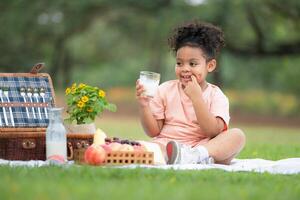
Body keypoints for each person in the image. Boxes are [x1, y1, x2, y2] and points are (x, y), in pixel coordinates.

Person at [136, 21, 245, 165]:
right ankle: (181, 158)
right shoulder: (165, 89)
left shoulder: (216, 95)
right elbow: (153, 132)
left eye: (193, 64)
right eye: (179, 63)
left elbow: (212, 132)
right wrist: (144, 106)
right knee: (143, 147)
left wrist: (196, 98)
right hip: (167, 145)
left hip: (201, 147)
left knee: (237, 136)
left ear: (210, 65)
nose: (185, 69)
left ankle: (193, 157)